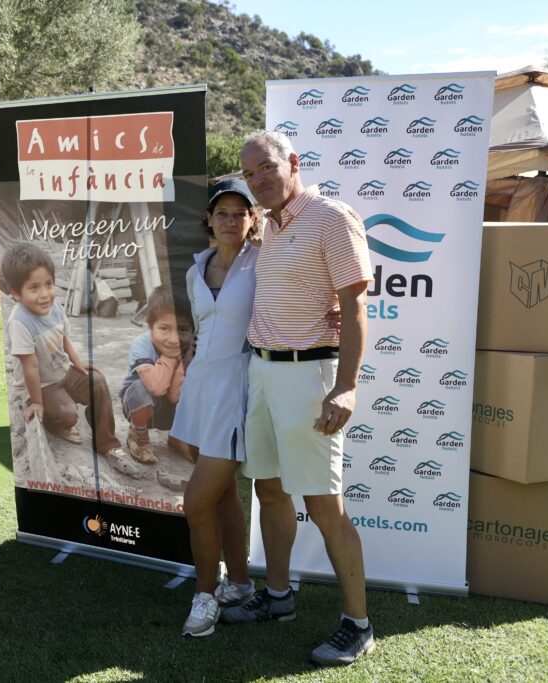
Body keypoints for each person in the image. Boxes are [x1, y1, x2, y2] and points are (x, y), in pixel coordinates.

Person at [222, 129, 375, 667]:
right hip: (263, 373)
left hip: (311, 376)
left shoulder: (332, 216)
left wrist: (347, 387)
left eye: (266, 167)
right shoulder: (268, 224)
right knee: (268, 488)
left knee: (324, 505)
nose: (258, 179)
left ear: (293, 162)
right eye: (249, 172)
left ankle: (358, 624)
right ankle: (280, 596)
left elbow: (355, 309)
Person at [168, 178, 260, 637]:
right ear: (208, 219)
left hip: (238, 392)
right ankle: (239, 584)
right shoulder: (195, 268)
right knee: (223, 497)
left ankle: (206, 596)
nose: (230, 220)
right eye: (222, 212)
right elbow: (200, 335)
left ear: (252, 219)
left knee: (196, 503)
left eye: (239, 213)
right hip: (202, 390)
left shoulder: (265, 262)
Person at [1, 242, 135, 474]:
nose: (45, 294)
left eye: (49, 284)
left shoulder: (55, 306)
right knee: (67, 413)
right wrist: (37, 402)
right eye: (34, 288)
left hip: (62, 371)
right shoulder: (20, 322)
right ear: (15, 293)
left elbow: (63, 337)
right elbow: (30, 366)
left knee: (98, 381)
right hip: (41, 384)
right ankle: (57, 423)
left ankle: (108, 444)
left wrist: (77, 362)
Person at [119, 287, 194, 465]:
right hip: (142, 407)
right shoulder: (142, 345)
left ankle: (178, 436)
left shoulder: (191, 347)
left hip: (172, 409)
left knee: (200, 387)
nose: (174, 339)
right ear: (151, 328)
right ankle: (138, 436)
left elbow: (176, 395)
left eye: (182, 329)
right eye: (164, 329)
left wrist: (185, 358)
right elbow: (157, 386)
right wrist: (170, 356)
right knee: (141, 388)